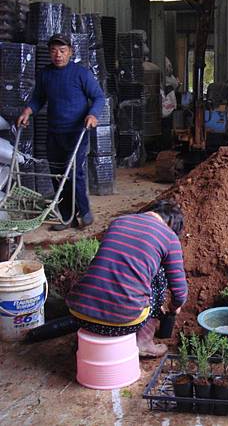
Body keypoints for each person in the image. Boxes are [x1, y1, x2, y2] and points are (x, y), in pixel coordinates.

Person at [66, 199, 188, 357]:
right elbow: (180, 292)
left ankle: (93, 335)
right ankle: (144, 343)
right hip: (123, 323)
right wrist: (174, 307)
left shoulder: (119, 222)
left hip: (79, 314)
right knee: (159, 274)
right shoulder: (169, 237)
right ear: (172, 225)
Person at [16, 33, 105, 231]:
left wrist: (93, 115)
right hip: (54, 133)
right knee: (57, 175)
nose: (58, 55)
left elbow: (98, 97)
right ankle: (67, 217)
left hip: (77, 132)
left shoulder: (81, 73)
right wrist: (27, 111)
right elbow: (38, 98)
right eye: (54, 51)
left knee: (74, 173)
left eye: (62, 51)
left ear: (70, 52)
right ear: (49, 53)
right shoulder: (45, 74)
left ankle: (84, 213)